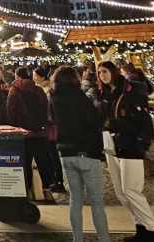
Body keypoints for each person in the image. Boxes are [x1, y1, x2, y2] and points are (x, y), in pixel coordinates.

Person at [97, 61, 154, 242]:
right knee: (121, 192)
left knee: (132, 190)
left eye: (105, 71)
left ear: (113, 72)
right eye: (99, 73)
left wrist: (142, 142)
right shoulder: (105, 94)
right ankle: (141, 228)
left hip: (130, 144)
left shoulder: (130, 92)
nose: (102, 75)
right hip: (112, 144)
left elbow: (142, 121)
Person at [50, 66, 111, 242]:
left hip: (65, 152)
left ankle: (78, 239)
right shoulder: (80, 98)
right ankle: (104, 239)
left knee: (75, 199)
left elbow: (54, 120)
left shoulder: (54, 98)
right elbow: (93, 122)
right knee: (96, 202)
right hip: (86, 152)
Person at [7, 66, 56, 194]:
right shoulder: (38, 90)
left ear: (17, 77)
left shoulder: (14, 90)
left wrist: (16, 125)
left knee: (25, 163)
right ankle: (47, 190)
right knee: (43, 161)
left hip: (23, 133)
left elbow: (11, 110)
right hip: (40, 131)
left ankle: (28, 191)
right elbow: (46, 108)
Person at [33, 66, 65, 193]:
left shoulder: (45, 90)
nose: (34, 78)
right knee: (52, 153)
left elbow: (47, 109)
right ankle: (55, 179)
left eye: (35, 75)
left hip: (51, 126)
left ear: (42, 77)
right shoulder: (44, 89)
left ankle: (58, 180)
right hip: (51, 125)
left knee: (53, 154)